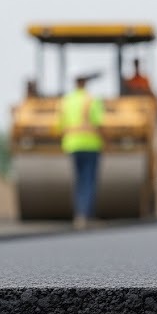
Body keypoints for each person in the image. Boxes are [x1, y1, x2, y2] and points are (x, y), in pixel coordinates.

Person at [59, 72, 105, 227]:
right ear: (85, 82)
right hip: (91, 145)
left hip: (72, 145)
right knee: (88, 181)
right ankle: (85, 215)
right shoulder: (91, 100)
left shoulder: (66, 101)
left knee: (79, 180)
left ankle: (79, 214)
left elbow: (60, 125)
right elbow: (99, 123)